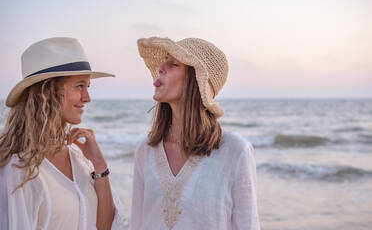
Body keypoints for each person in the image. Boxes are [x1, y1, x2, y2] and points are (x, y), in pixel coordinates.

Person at [131, 37, 260, 229]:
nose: (160, 67)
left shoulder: (235, 151)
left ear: (195, 81)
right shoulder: (146, 150)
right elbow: (137, 224)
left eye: (174, 64)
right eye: (164, 60)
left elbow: (248, 225)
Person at [0, 37, 127, 230]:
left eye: (88, 87)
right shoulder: (18, 167)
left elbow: (104, 226)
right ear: (48, 91)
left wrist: (99, 165)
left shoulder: (79, 158)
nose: (87, 98)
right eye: (79, 86)